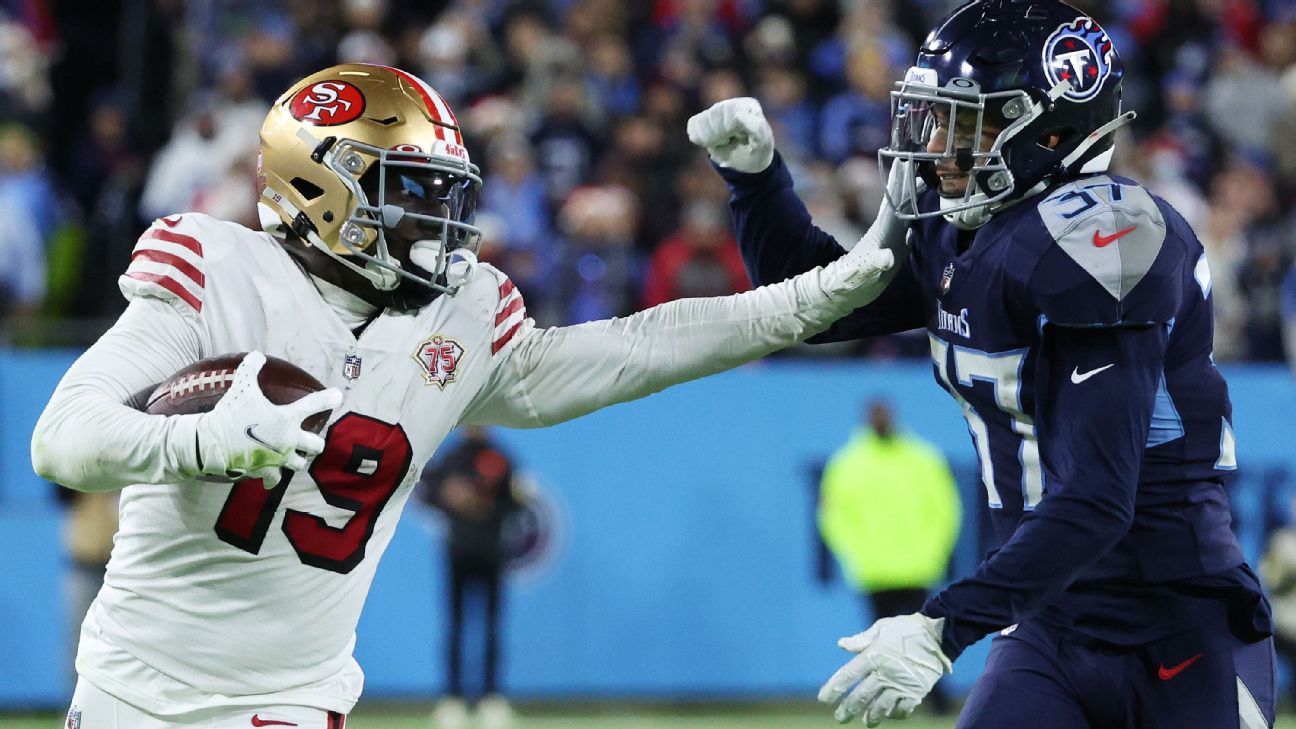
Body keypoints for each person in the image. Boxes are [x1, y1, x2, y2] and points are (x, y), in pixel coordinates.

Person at [30, 62, 904, 729]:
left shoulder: (458, 316)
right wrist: (204, 439)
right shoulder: (216, 271)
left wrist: (801, 301)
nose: (437, 222)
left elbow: (632, 349)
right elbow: (63, 438)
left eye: (443, 195)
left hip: (295, 699)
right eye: (408, 193)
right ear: (316, 188)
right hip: (135, 694)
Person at [687, 2, 1275, 727]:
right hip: (1049, 624)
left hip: (1176, 624)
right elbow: (825, 307)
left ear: (1053, 130)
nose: (938, 148)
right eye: (937, 118)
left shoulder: (1107, 235)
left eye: (974, 122)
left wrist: (942, 626)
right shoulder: (966, 235)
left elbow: (1097, 496)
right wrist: (755, 180)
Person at [817, 400, 959, 714]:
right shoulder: (848, 463)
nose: (880, 421)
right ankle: (895, 706)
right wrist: (855, 552)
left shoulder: (922, 459)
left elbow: (945, 509)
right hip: (874, 570)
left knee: (922, 641)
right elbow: (833, 516)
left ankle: (932, 705)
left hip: (917, 567)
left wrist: (933, 550)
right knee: (883, 645)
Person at [417, 426, 522, 729]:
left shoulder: (501, 457)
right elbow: (427, 491)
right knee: (456, 624)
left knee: (491, 625)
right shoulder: (451, 457)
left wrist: (482, 507)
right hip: (458, 552)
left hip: (491, 553)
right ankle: (453, 698)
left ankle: (491, 698)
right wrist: (449, 497)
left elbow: (516, 503)